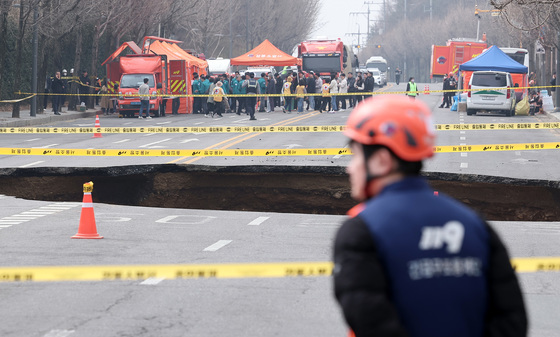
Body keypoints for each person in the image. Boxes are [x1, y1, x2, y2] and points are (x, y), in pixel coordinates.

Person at [333, 95, 527, 337]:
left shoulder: (362, 230)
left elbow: (369, 320)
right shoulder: (475, 225)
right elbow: (512, 320)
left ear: (382, 162)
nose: (349, 168)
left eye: (355, 156)